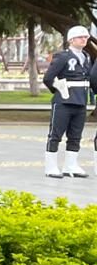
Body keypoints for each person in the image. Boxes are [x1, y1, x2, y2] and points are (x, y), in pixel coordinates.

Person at [44, 26, 91, 179]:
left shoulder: (86, 56)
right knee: (55, 135)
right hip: (64, 101)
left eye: (85, 37)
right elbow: (48, 78)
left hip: (81, 100)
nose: (84, 39)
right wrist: (58, 89)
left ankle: (71, 165)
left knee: (76, 135)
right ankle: (51, 166)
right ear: (71, 40)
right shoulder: (62, 56)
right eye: (80, 37)